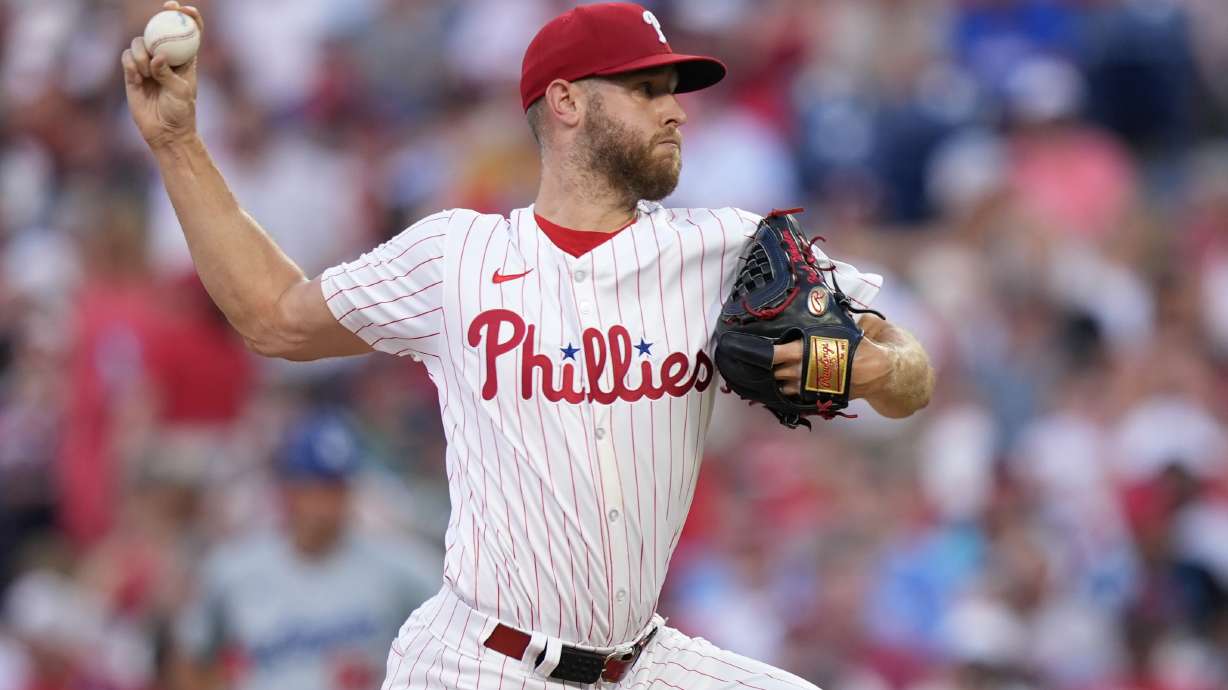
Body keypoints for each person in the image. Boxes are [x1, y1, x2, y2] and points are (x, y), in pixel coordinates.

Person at [122, 2, 934, 688]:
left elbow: (912, 376)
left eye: (674, 91)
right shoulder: (455, 257)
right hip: (478, 662)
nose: (676, 109)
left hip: (640, 661)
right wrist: (176, 144)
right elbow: (272, 316)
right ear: (567, 103)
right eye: (647, 89)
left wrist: (865, 365)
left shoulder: (722, 248)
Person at [172, 410, 440, 690]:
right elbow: (192, 654)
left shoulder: (400, 566)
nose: (327, 504)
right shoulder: (234, 568)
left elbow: (461, 631)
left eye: (338, 488)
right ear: (288, 490)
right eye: (316, 487)